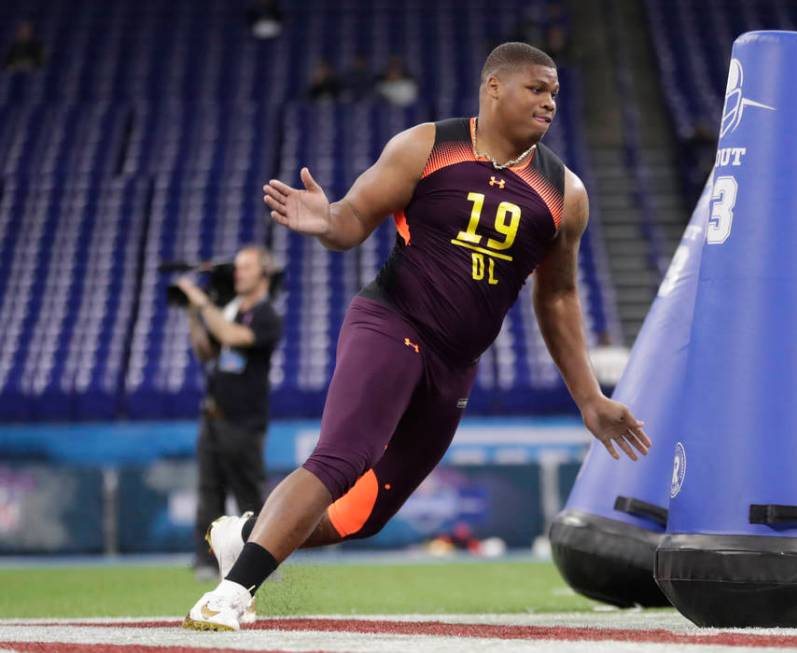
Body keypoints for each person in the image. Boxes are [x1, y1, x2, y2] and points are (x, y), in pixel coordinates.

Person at [183, 42, 650, 631]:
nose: (550, 101)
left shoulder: (566, 193)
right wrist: (326, 220)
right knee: (342, 458)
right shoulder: (427, 146)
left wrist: (589, 397)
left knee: (365, 514)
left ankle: (247, 537)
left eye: (555, 92)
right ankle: (230, 592)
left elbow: (556, 295)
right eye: (537, 88)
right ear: (494, 88)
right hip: (392, 322)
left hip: (456, 364)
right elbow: (351, 221)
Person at [175, 246, 283, 581]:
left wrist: (204, 303)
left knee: (249, 494)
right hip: (214, 416)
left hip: (244, 420)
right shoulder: (231, 309)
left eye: (246, 267)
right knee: (210, 493)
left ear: (263, 274)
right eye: (237, 267)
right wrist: (193, 313)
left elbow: (230, 336)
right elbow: (207, 351)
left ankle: (263, 561)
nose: (238, 273)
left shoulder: (266, 315)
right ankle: (207, 561)